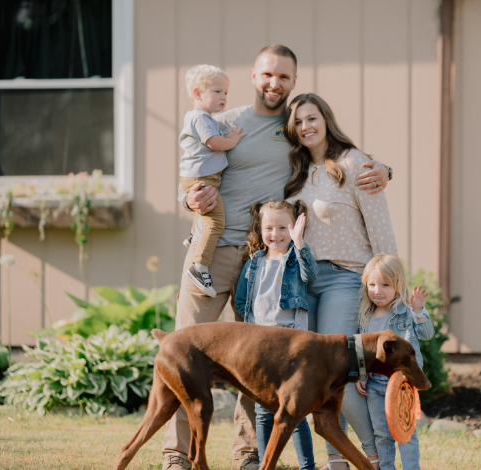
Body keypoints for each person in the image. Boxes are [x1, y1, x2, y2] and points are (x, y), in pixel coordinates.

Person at [165, 44, 391, 470]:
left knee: (257, 359)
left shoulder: (294, 130)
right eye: (268, 75)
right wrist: (189, 197)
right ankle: (177, 455)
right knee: (186, 352)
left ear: (294, 82)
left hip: (266, 262)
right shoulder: (222, 123)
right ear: (253, 75)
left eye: (284, 77)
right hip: (211, 255)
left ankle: (248, 453)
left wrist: (384, 169)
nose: (275, 84)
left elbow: (334, 153)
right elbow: (191, 172)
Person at [284, 93, 398, 470]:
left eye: (311, 118)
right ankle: (337, 461)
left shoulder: (356, 163)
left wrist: (388, 288)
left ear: (326, 119)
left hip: (345, 279)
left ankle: (376, 456)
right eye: (297, 122)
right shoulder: (296, 170)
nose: (305, 127)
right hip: (304, 282)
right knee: (317, 380)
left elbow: (381, 231)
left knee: (337, 371)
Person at [234, 200, 317, 470]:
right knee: (262, 410)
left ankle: (307, 466)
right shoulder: (254, 262)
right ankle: (265, 465)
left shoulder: (294, 258)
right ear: (260, 229)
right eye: (269, 227)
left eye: (283, 227)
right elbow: (242, 300)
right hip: (259, 344)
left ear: (293, 228)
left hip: (290, 343)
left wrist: (300, 243)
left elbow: (312, 275)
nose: (275, 234)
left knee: (293, 409)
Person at [355, 254, 434, 470]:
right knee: (381, 433)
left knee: (405, 432)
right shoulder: (365, 315)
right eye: (371, 284)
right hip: (373, 385)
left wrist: (418, 310)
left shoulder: (405, 313)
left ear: (398, 285)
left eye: (385, 285)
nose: (377, 291)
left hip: (401, 384)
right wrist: (360, 375)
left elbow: (426, 334)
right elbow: (361, 348)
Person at [179, 64, 246, 297]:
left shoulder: (201, 117)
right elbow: (213, 143)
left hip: (200, 176)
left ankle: (192, 237)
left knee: (206, 213)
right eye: (217, 92)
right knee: (216, 222)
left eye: (226, 93)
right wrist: (232, 141)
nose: (223, 98)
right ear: (197, 93)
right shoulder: (201, 118)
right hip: (202, 177)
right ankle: (200, 267)